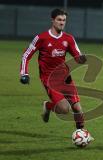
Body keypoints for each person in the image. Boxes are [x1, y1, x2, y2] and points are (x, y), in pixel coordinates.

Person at [19, 8, 93, 141]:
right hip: (49, 80)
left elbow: (77, 55)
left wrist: (81, 59)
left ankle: (82, 135)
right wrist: (24, 73)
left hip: (65, 78)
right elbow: (26, 55)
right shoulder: (41, 38)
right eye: (59, 20)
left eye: (64, 20)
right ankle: (48, 105)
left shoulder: (68, 38)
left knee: (78, 108)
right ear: (52, 20)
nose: (62, 22)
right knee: (64, 110)